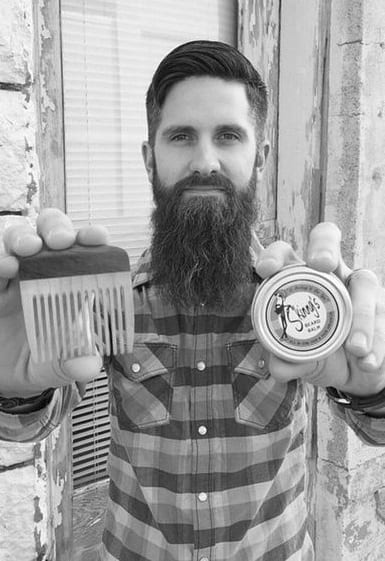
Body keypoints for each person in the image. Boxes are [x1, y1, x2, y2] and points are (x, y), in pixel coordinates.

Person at [0, 40, 385, 561]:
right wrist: (14, 390)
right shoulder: (108, 301)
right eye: (181, 136)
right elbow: (30, 425)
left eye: (228, 136)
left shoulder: (302, 303)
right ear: (149, 156)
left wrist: (373, 388)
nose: (205, 161)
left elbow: (376, 430)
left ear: (261, 157)